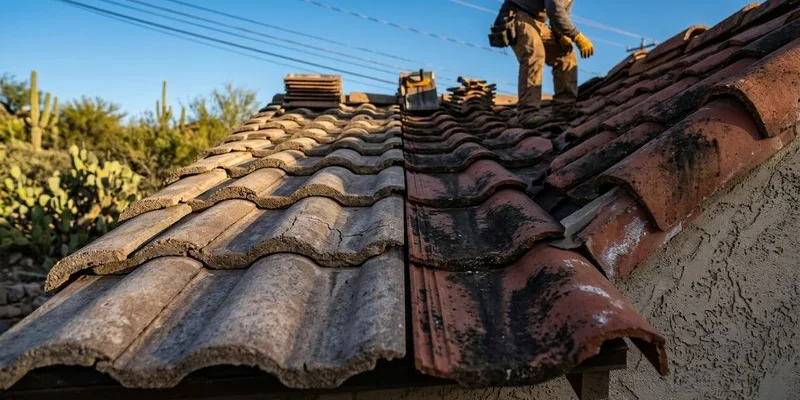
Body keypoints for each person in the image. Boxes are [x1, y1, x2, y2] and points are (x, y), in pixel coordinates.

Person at [495, 0, 595, 127]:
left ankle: (564, 109)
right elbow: (554, 11)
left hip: (538, 22)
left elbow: (560, 15)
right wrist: (577, 36)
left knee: (566, 54)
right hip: (517, 14)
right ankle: (528, 113)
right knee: (535, 54)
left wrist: (561, 36)